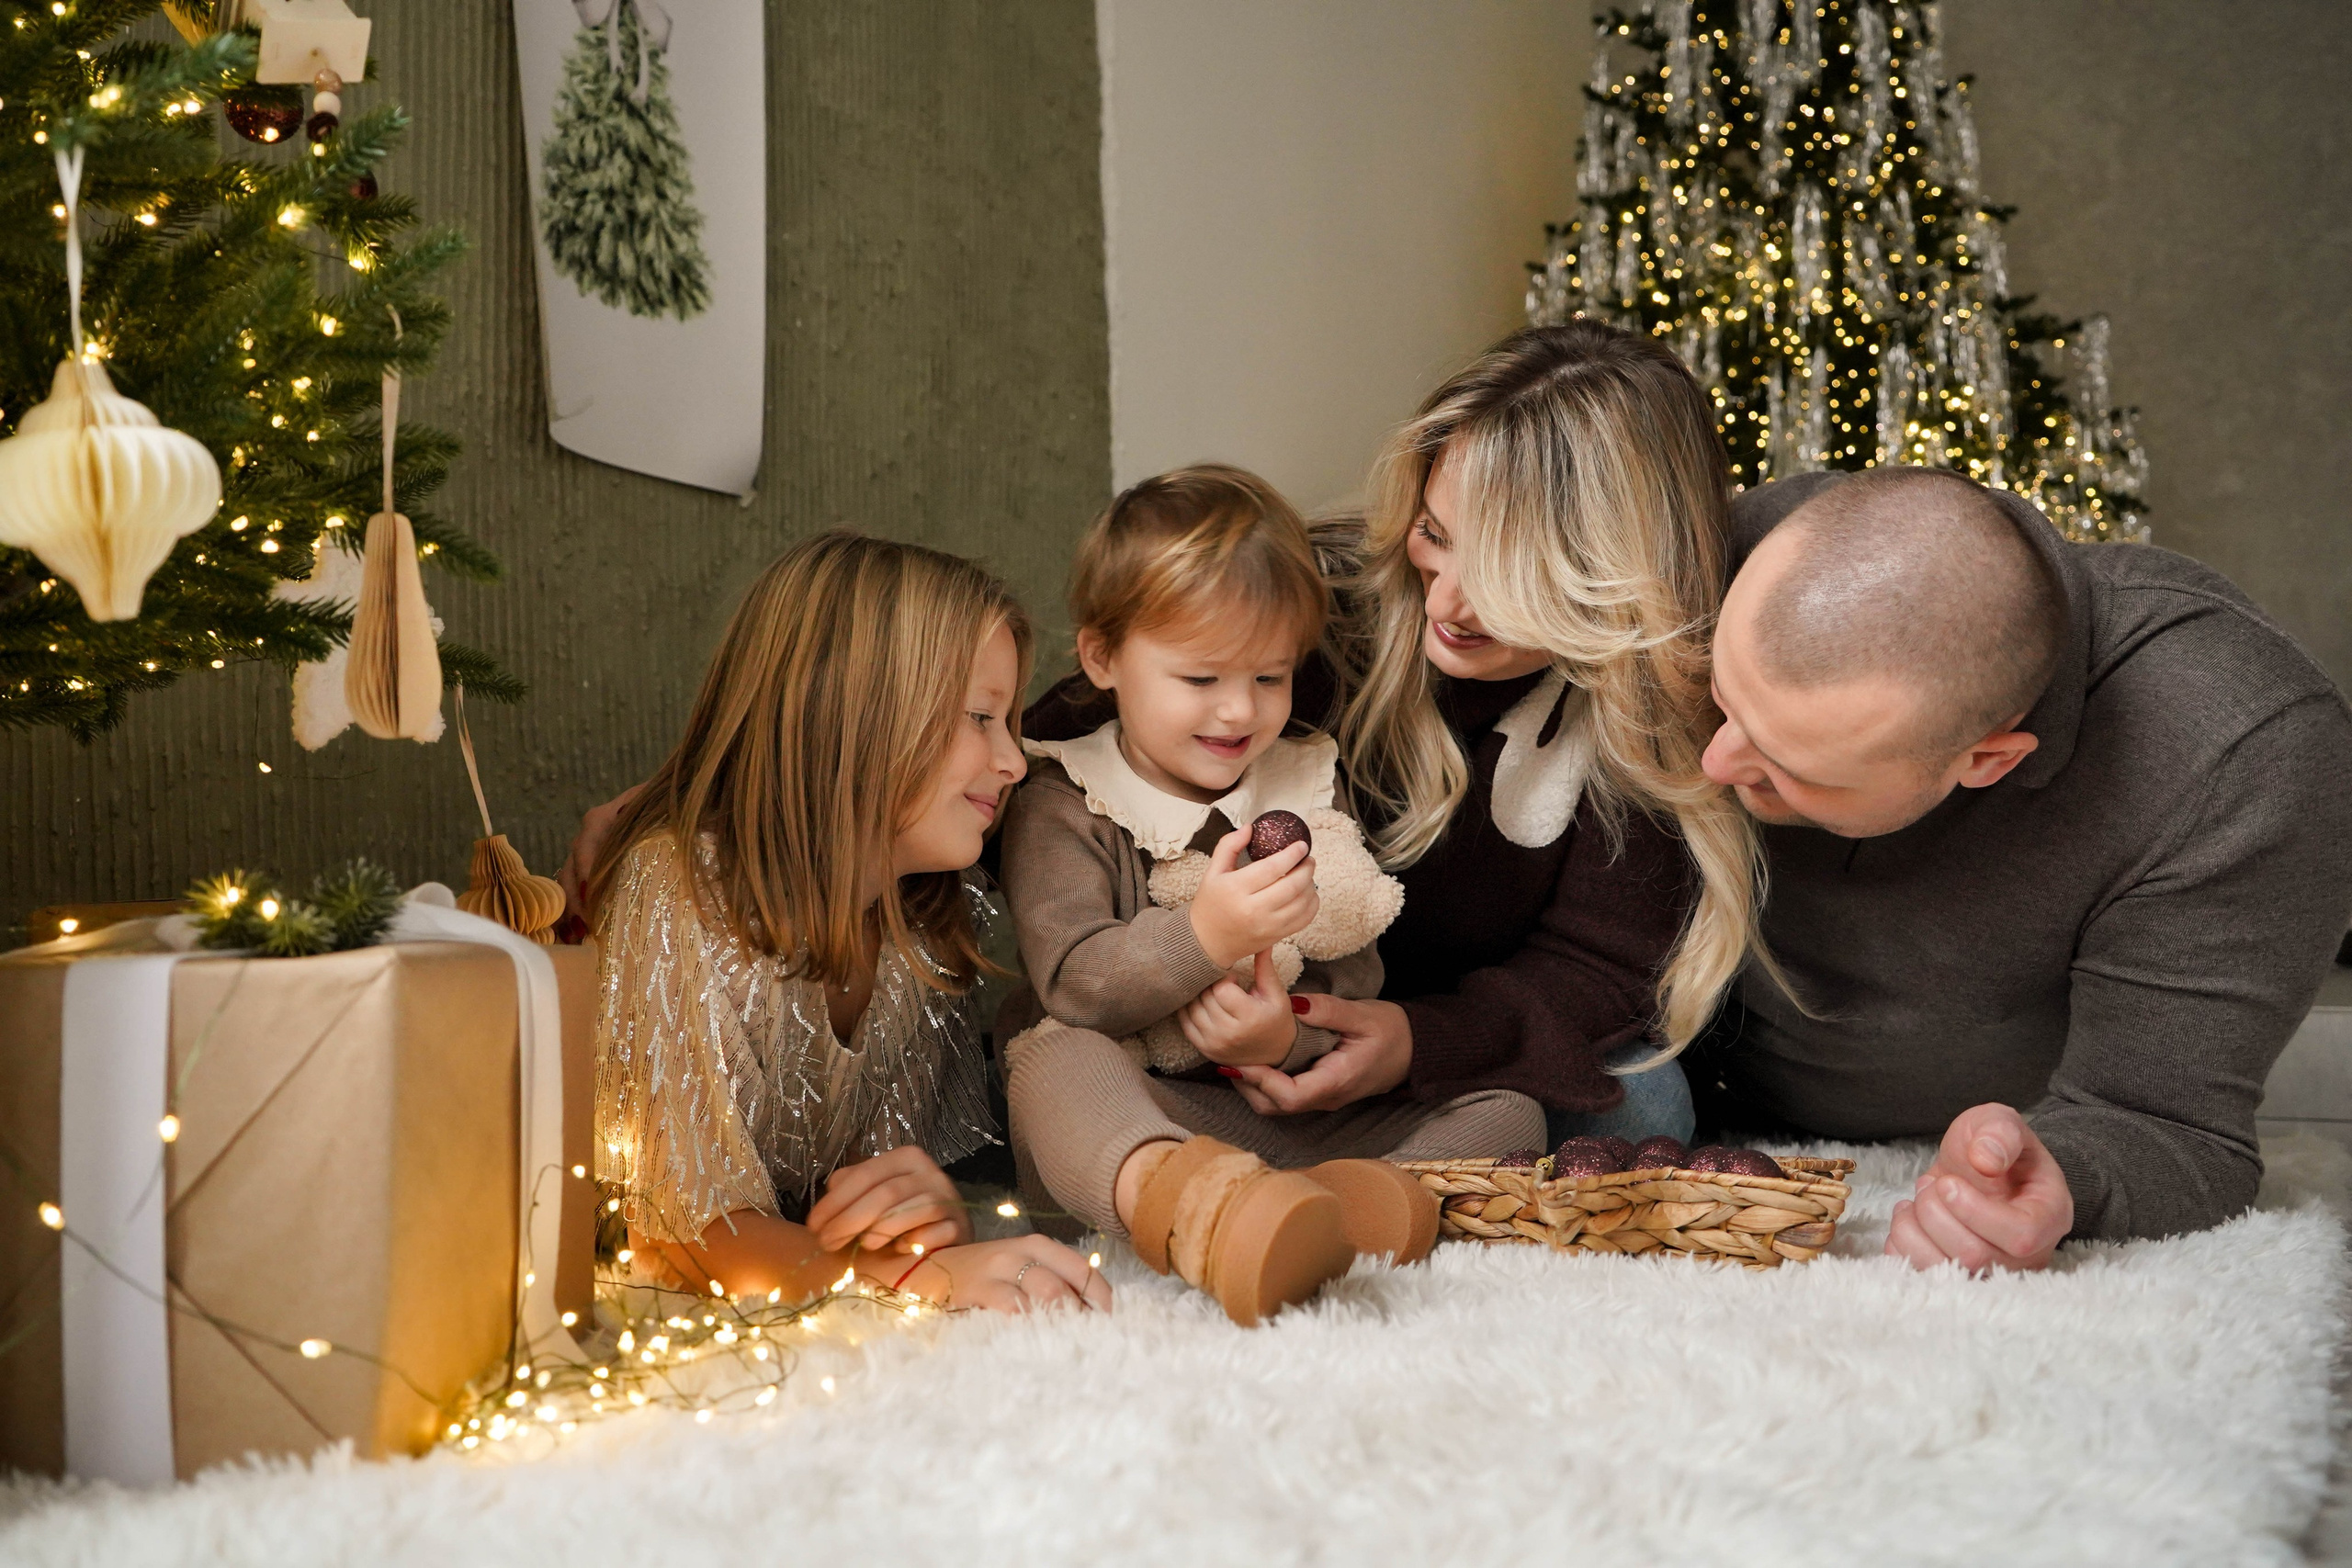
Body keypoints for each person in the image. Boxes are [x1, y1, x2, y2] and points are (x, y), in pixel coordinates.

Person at [1024, 321, 1763, 1160]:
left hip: (1427, 1050)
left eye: (1505, 573)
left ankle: (1351, 1206)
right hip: (1202, 1045)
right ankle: (1194, 1186)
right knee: (1066, 1066)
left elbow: (1598, 970)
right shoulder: (1315, 610)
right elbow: (1074, 734)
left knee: (1642, 1101)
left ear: (1610, 572)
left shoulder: (1651, 710)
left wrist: (1415, 1043)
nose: (1446, 602)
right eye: (1436, 536)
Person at [1694, 467, 2352, 1271]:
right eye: (1721, 696)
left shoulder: (2245, 755)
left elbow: (2172, 1127)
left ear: (1989, 760)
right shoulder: (1737, 553)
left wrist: (2058, 1179)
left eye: (1792, 763)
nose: (1713, 762)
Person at [998, 464, 1545, 1326]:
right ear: (1103, 657)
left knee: (1508, 1108)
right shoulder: (1064, 798)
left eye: (1268, 676)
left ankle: (1356, 1206)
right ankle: (1200, 1213)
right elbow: (1074, 982)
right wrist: (1203, 935)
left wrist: (1285, 1038)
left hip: (1281, 1122)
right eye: (1200, 679)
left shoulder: (1301, 774)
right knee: (1048, 1054)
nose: (1237, 712)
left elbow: (1354, 967)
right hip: (1149, 1111)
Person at [582, 532, 1111, 1314]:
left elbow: (843, 1218)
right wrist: (915, 1282)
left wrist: (923, 1212)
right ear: (854, 714)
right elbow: (673, 1234)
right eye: (980, 717)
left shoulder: (924, 927)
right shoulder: (681, 890)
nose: (1013, 761)